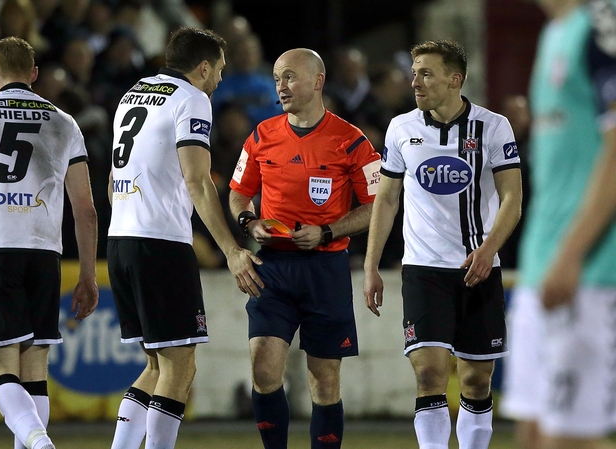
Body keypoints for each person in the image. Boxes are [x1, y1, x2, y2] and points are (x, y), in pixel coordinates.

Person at [107, 27, 263, 449]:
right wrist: (231, 249)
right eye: (219, 71)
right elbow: (197, 181)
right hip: (159, 243)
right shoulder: (192, 99)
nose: (219, 81)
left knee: (158, 365)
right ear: (204, 66)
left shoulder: (132, 94)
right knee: (181, 365)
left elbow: (113, 178)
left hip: (120, 237)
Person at [362, 39, 522, 449]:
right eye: (414, 72)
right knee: (429, 374)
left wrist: (488, 250)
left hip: (478, 267)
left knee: (475, 379)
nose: (415, 81)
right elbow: (386, 199)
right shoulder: (402, 128)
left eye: (426, 73)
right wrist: (371, 265)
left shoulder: (493, 126)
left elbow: (512, 199)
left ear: (456, 79)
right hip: (423, 269)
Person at [0, 36, 99, 449]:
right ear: (34, 75)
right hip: (44, 251)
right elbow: (85, 208)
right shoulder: (65, 122)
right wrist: (87, 274)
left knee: (0, 370)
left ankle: (39, 440)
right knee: (35, 371)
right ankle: (37, 439)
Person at [229, 48, 382, 449]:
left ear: (318, 81)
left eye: (291, 77)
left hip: (325, 269)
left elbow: (376, 206)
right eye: (278, 77)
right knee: (263, 367)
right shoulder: (262, 135)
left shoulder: (351, 141)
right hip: (273, 267)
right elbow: (237, 195)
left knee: (324, 379)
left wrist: (328, 231)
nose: (281, 85)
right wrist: (249, 221)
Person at [499, 1, 616, 449]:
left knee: (567, 438)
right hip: (541, 266)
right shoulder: (552, 33)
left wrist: (571, 253)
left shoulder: (601, 25)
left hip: (588, 268)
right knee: (532, 432)